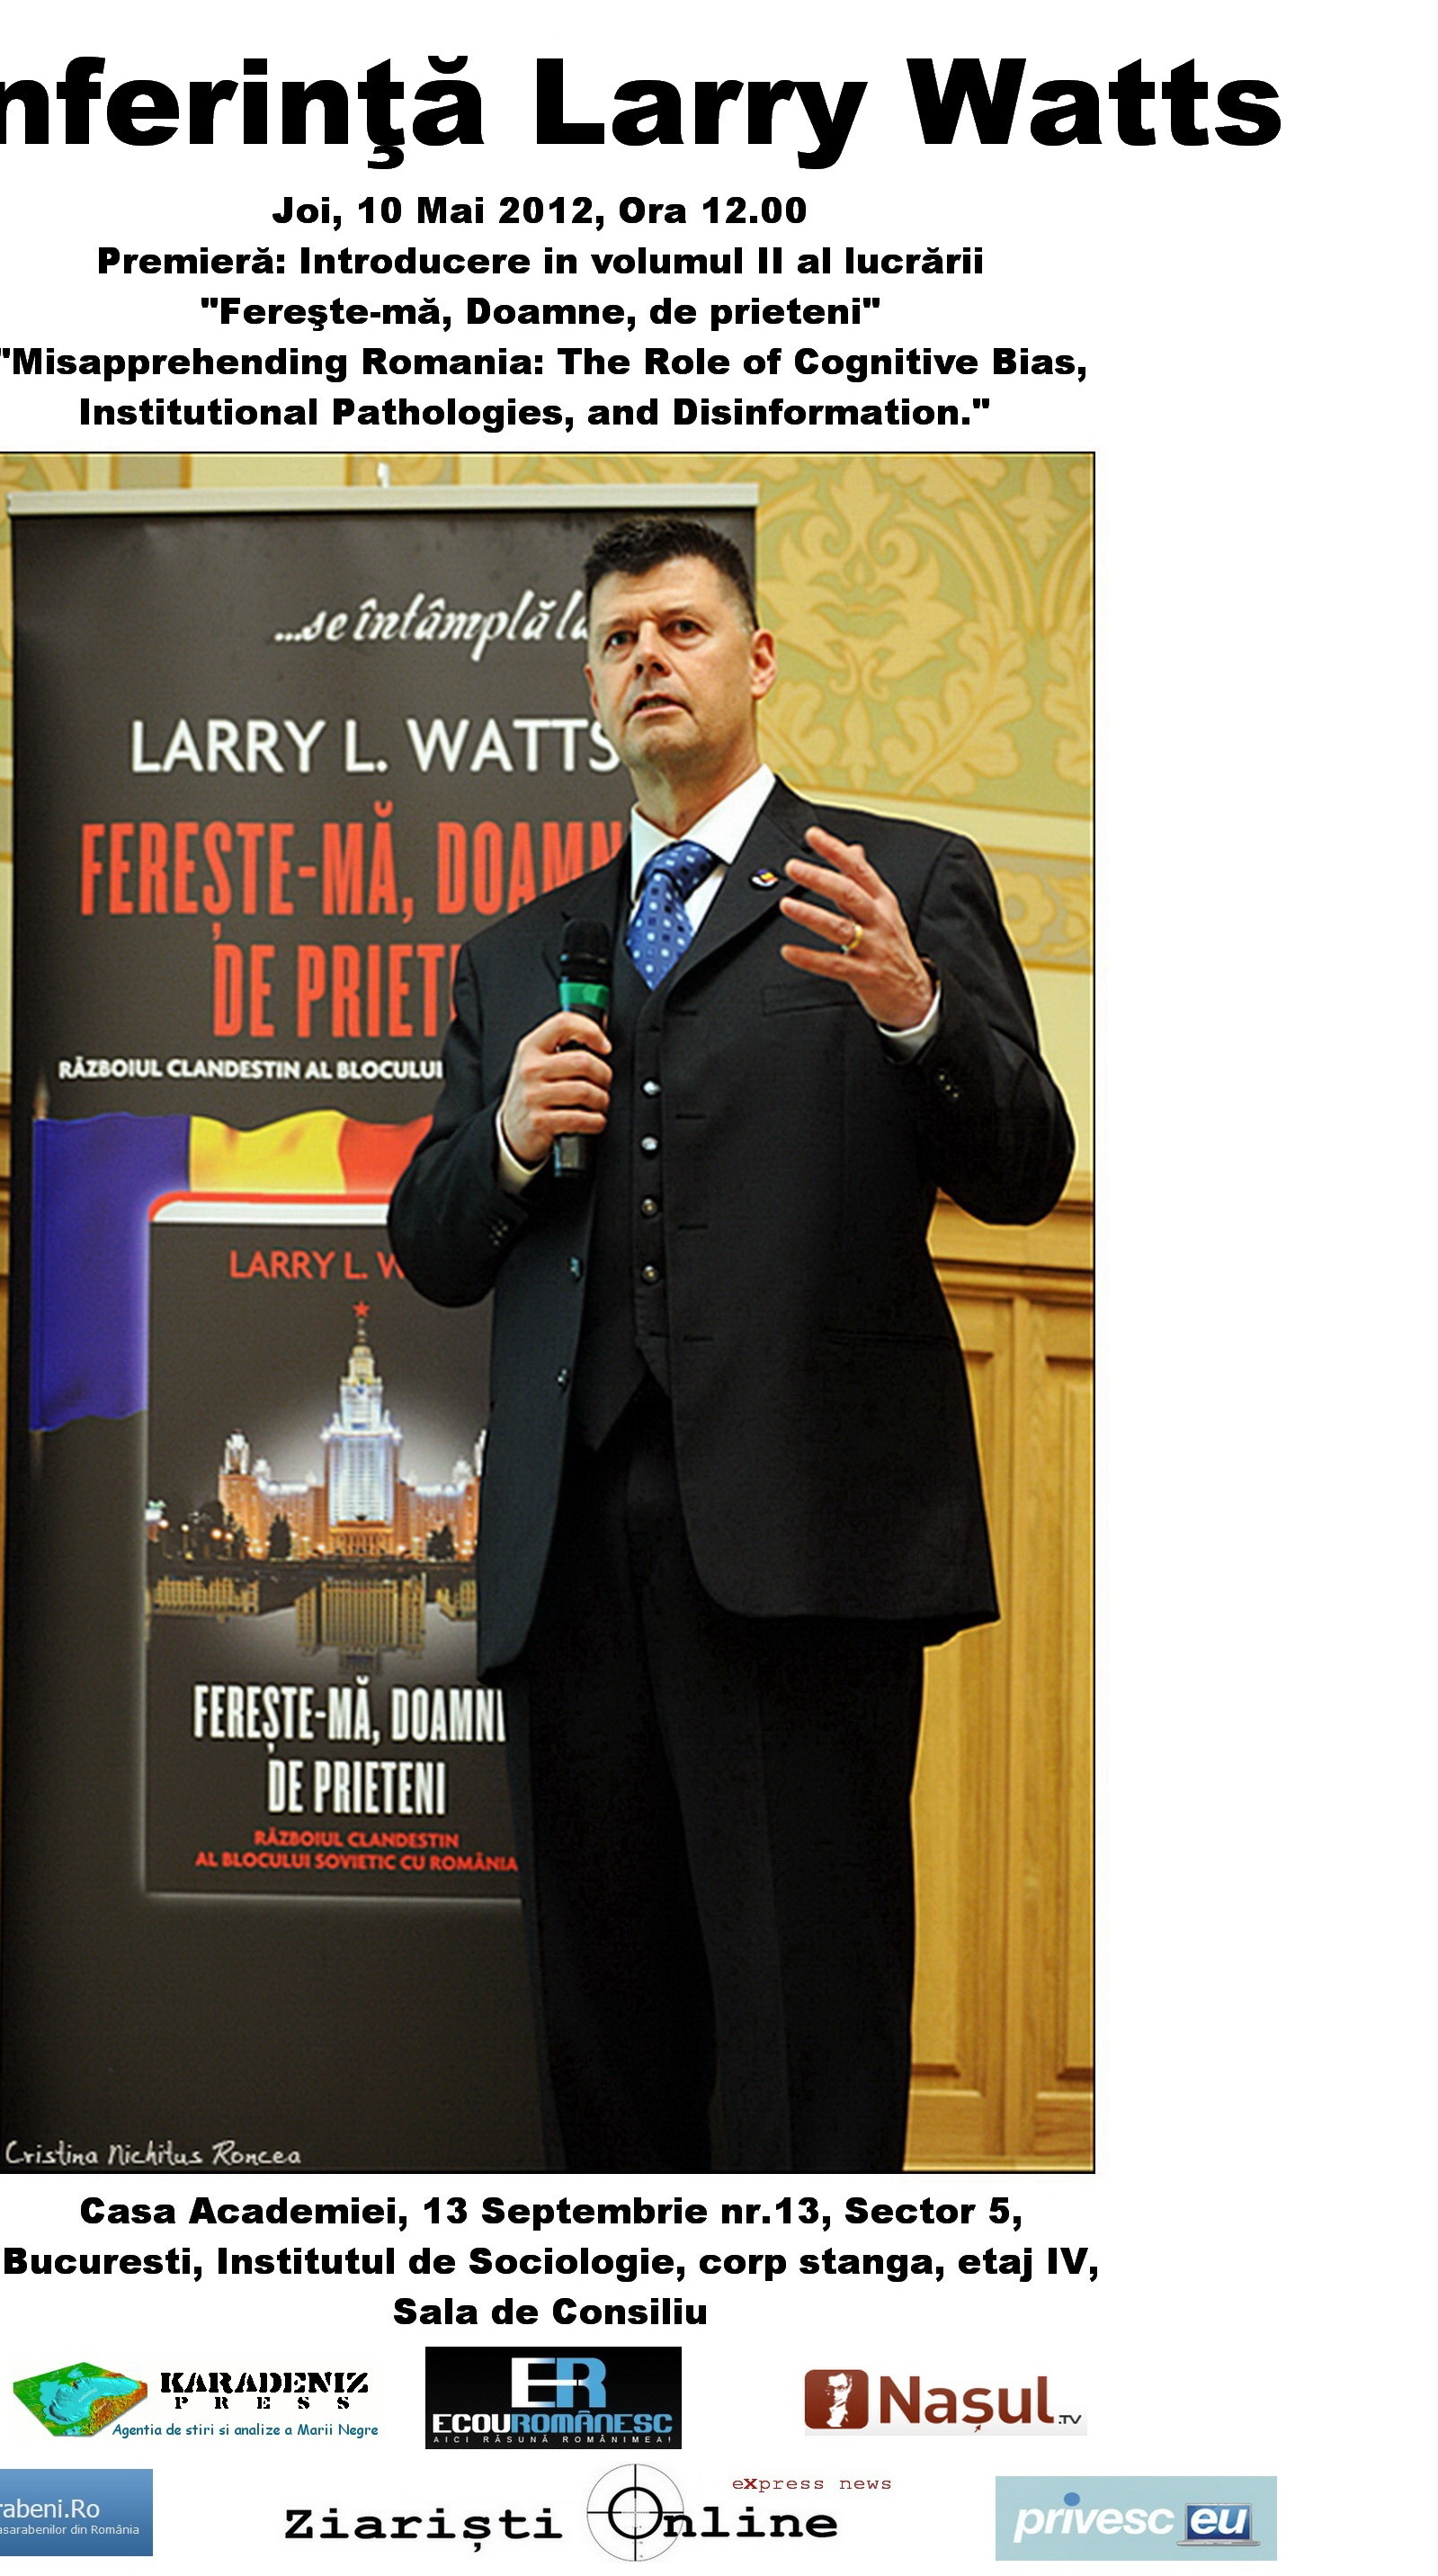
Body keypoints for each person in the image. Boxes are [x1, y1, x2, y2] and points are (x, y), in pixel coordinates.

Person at [388, 514, 1074, 2170]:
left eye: (682, 629)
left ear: (756, 661)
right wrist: (505, 1145)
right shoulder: (516, 954)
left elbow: (1023, 1168)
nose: (650, 660)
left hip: (806, 1544)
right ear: (593, 688)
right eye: (619, 641)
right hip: (571, 1560)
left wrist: (918, 1012)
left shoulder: (895, 885)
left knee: (806, 2022)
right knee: (604, 2038)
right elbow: (431, 1246)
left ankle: (802, 2321)